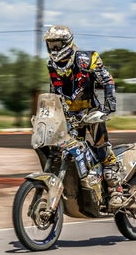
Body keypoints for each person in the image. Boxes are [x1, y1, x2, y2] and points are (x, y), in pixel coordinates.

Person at [43, 25, 123, 209]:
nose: (54, 49)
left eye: (57, 45)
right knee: (68, 152)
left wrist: (108, 108)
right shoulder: (51, 65)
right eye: (51, 45)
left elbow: (107, 80)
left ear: (67, 43)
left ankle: (116, 190)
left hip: (91, 112)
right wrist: (50, 113)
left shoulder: (87, 59)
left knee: (101, 148)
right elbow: (54, 91)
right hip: (71, 116)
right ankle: (85, 187)